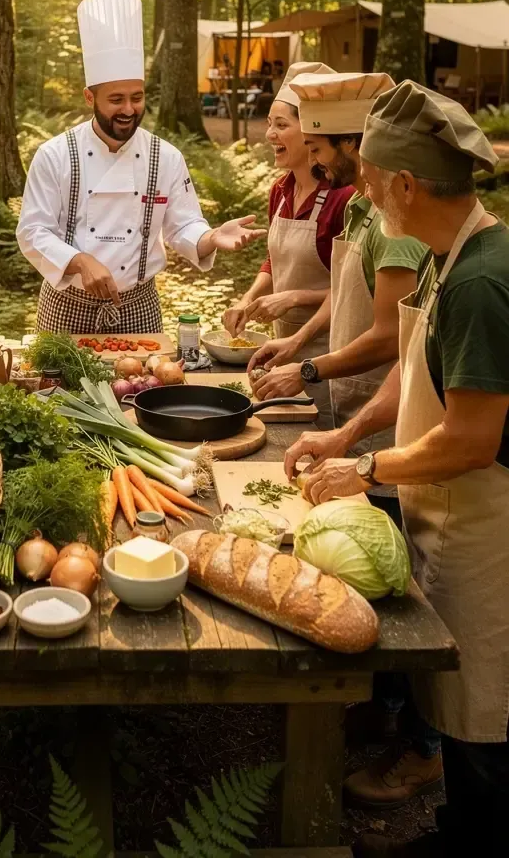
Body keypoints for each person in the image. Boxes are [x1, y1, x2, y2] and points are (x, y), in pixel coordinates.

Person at [294, 83, 508, 858]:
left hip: (488, 524)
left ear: (408, 185)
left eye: (373, 180)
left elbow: (474, 439)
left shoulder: (485, 279)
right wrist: (344, 432)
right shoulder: (450, 257)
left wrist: (367, 466)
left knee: (489, 714)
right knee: (457, 709)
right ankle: (459, 828)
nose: (364, 192)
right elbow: (412, 364)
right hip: (444, 509)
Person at [16, 0, 266, 334]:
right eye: (116, 99)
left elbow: (182, 226)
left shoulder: (164, 157)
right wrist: (79, 260)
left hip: (139, 307)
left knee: (143, 389)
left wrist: (210, 237)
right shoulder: (56, 155)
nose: (129, 109)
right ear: (90, 97)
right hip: (67, 307)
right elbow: (33, 230)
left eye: (137, 97)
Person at [251, 70, 427, 513]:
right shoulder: (359, 208)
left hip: (385, 429)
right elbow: (344, 294)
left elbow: (393, 337)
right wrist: (297, 343)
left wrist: (307, 368)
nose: (315, 161)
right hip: (347, 411)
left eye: (316, 148)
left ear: (350, 143)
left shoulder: (395, 229)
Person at [222, 62, 353, 421]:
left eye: (281, 125)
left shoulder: (343, 198)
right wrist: (249, 300)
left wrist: (295, 297)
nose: (270, 135)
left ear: (311, 131)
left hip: (332, 351)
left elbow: (355, 290)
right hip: (283, 349)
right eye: (269, 124)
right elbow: (274, 260)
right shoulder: (281, 191)